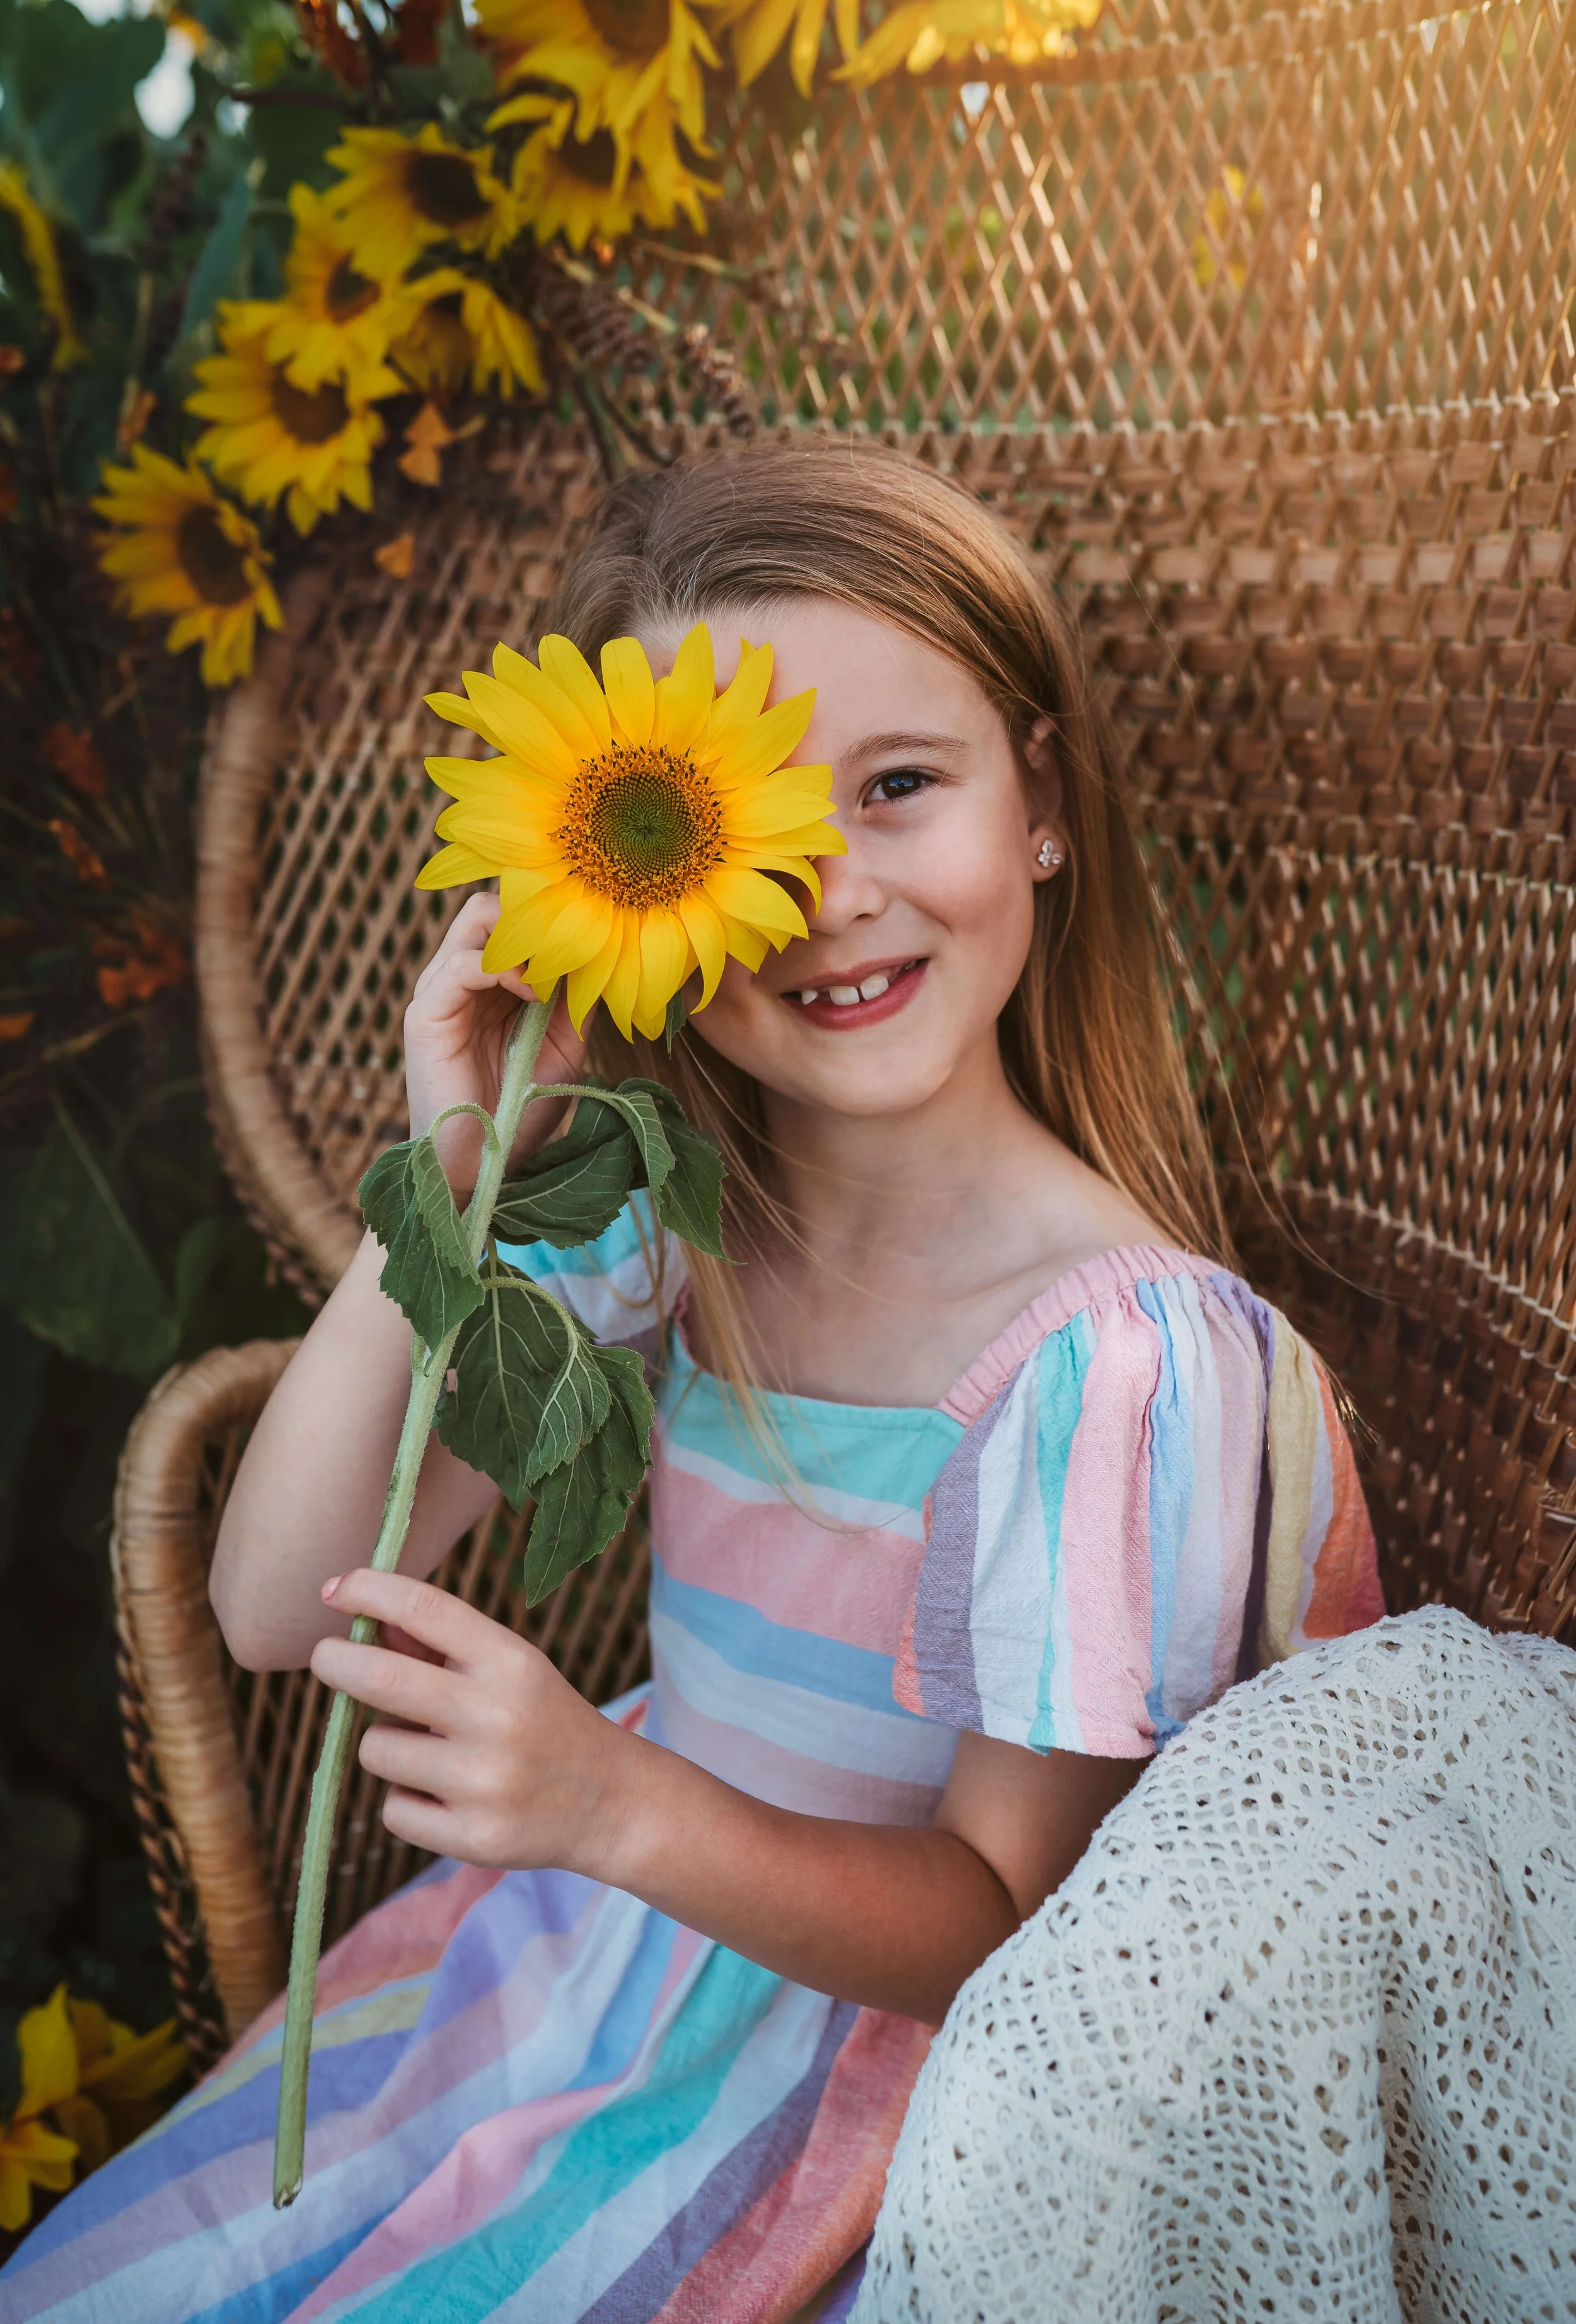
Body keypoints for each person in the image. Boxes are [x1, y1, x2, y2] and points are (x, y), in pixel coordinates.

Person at [4, 441, 1382, 2323]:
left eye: (899, 788)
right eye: (740, 841)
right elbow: (271, 1598)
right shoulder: (667, 1218)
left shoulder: (1112, 1355)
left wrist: (608, 1804)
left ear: (1039, 802)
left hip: (874, 2100)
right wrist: (460, 1185)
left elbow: (1011, 1930)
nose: (833, 899)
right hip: (591, 1975)